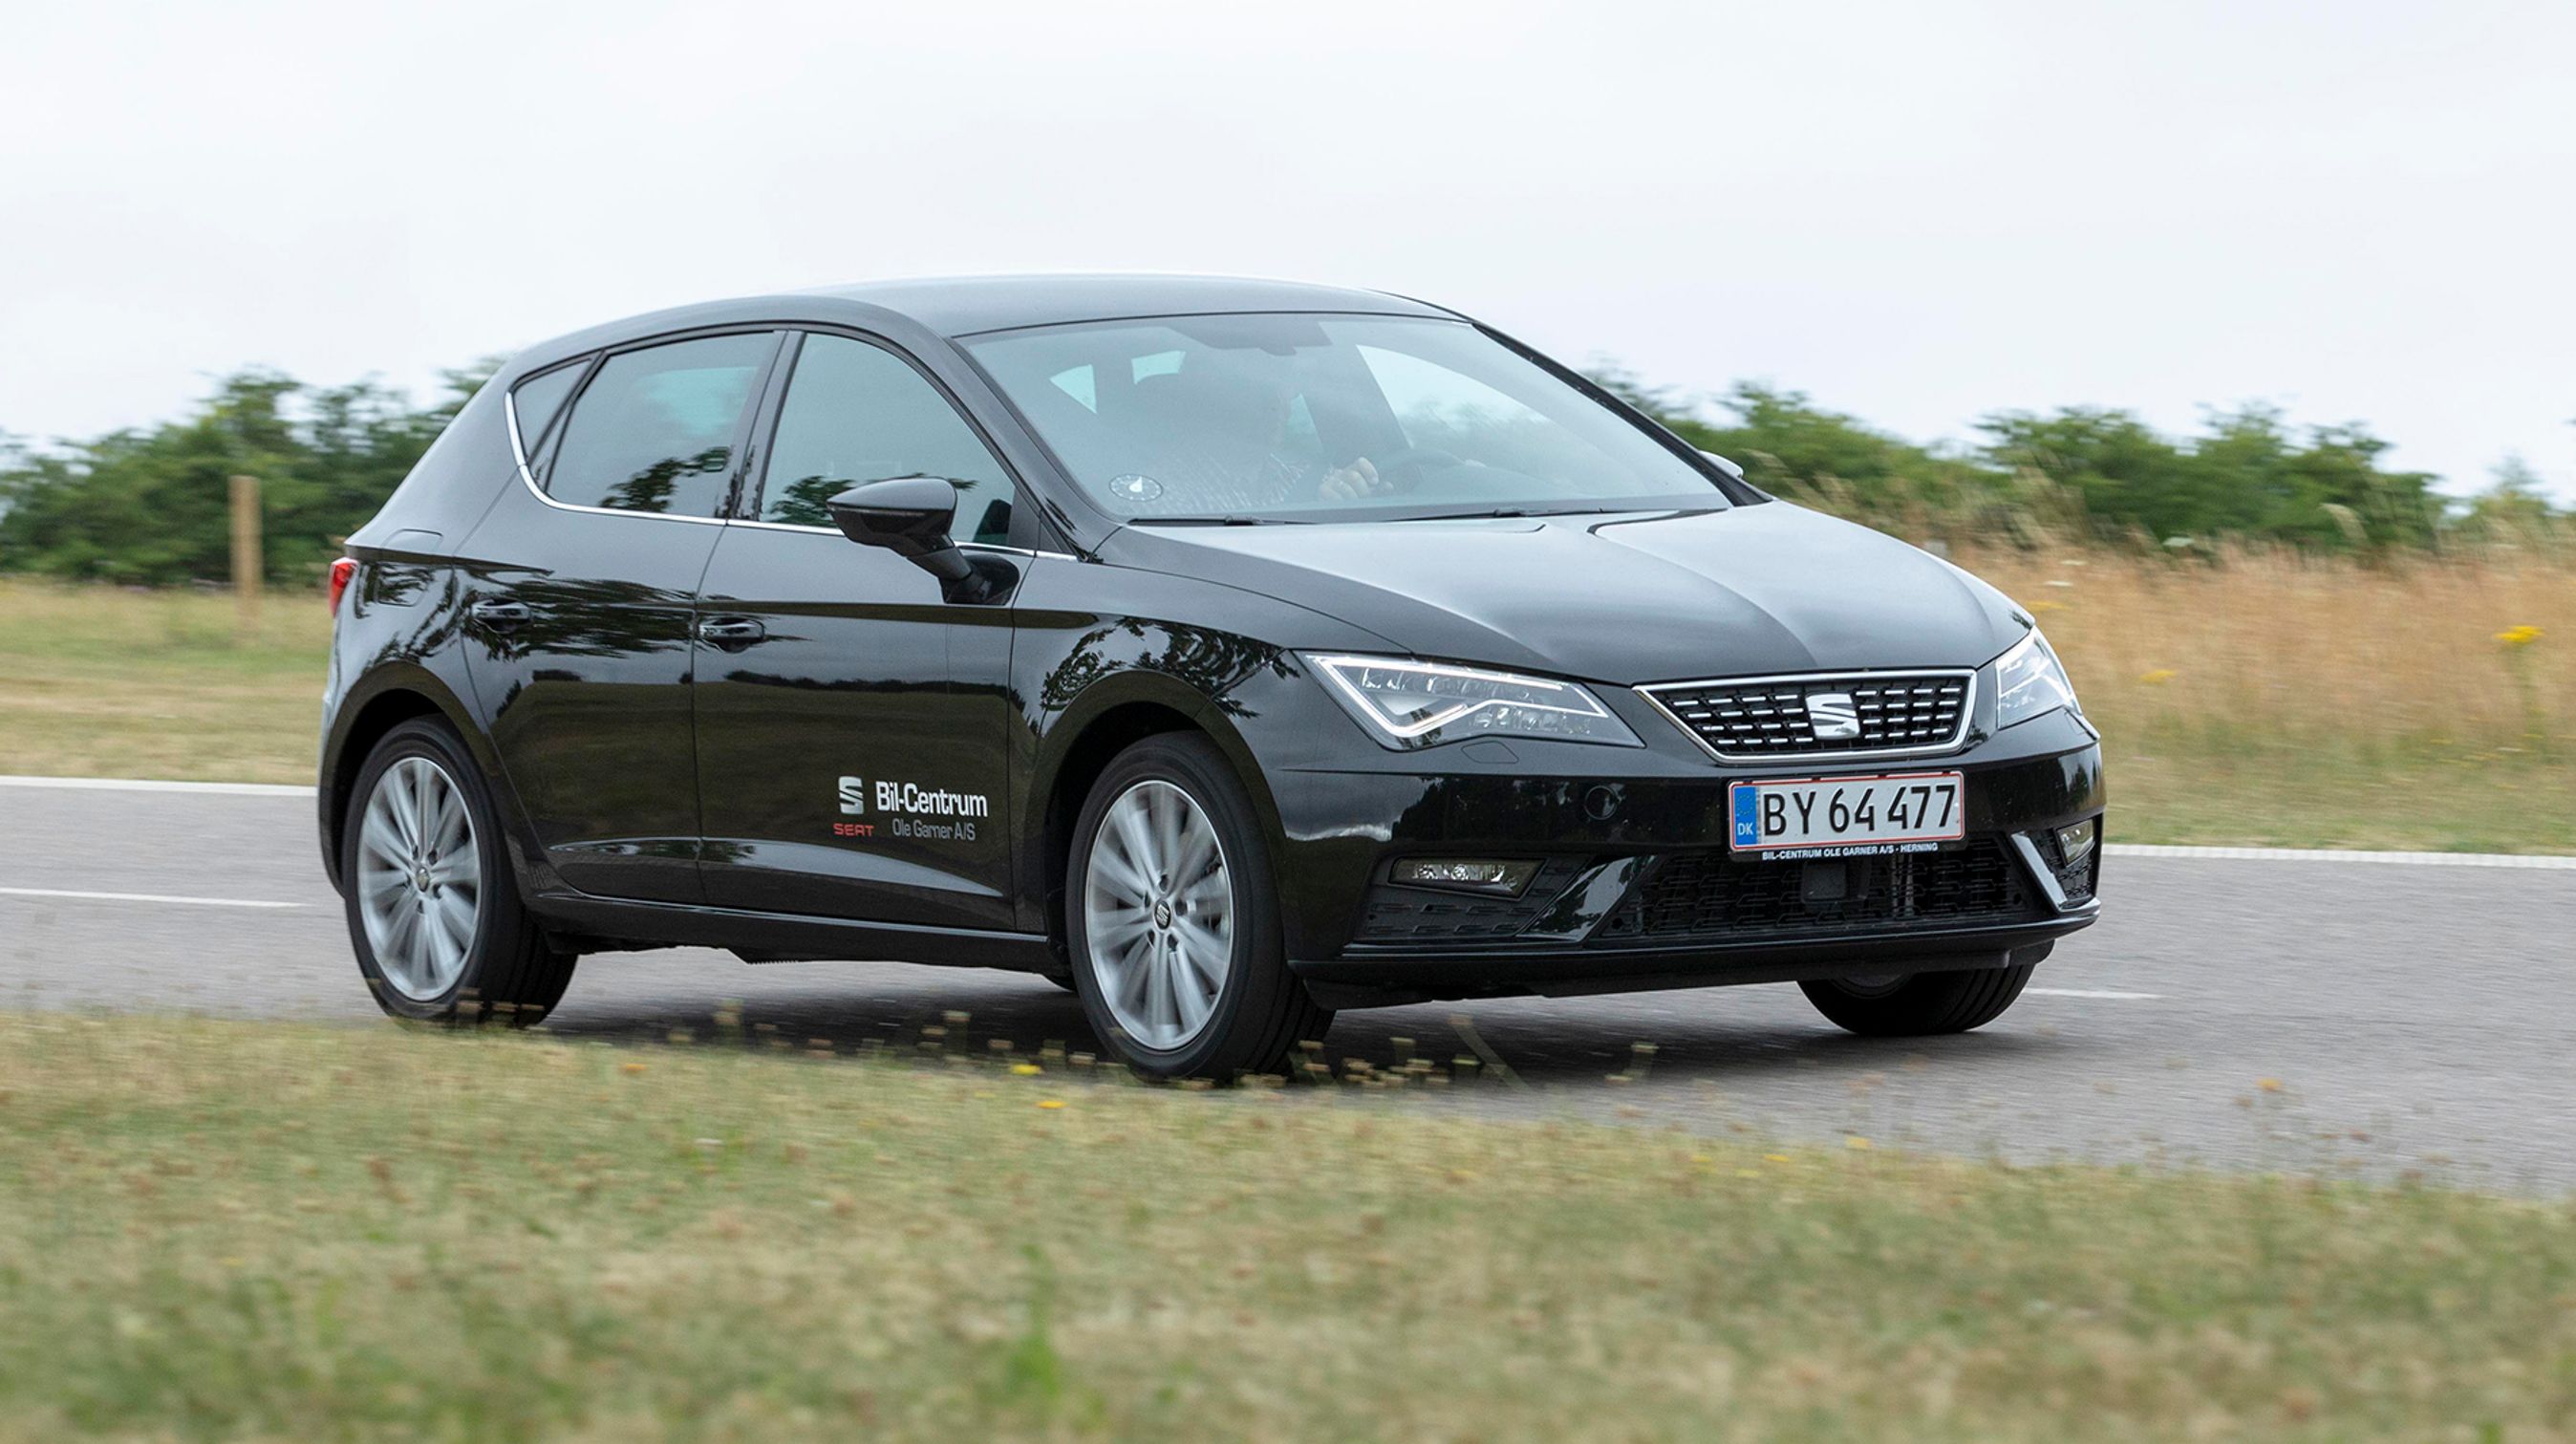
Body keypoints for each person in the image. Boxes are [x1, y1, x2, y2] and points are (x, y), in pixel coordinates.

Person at [1118, 356, 1394, 513]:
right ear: (1210, 396)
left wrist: (1355, 495)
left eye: (1283, 389)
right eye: (1259, 389)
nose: (1277, 403)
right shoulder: (1162, 499)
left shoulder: (1310, 478)